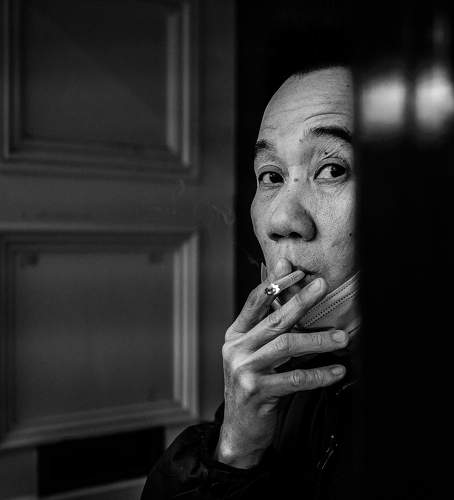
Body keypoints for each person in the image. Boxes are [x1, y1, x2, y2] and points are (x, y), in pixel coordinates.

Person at [141, 64, 362, 500]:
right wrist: (235, 446)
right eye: (271, 176)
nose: (282, 221)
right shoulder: (271, 371)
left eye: (332, 169)